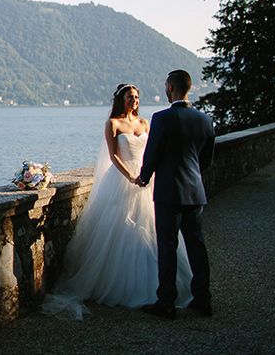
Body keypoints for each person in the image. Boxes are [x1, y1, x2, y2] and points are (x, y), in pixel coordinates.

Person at [41, 83, 192, 319]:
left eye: (137, 97)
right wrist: (131, 177)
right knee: (124, 230)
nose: (134, 100)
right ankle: (126, 285)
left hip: (147, 179)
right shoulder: (113, 124)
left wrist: (147, 175)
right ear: (121, 100)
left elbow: (153, 151)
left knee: (153, 232)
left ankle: (163, 288)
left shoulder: (144, 123)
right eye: (130, 97)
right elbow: (112, 156)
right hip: (123, 179)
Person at [135, 69, 215, 319]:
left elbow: (152, 154)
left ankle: (166, 302)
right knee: (197, 246)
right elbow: (206, 159)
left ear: (170, 87)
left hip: (169, 192)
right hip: (195, 191)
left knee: (167, 246)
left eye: (165, 86)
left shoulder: (161, 118)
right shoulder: (205, 119)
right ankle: (203, 299)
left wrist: (144, 176)